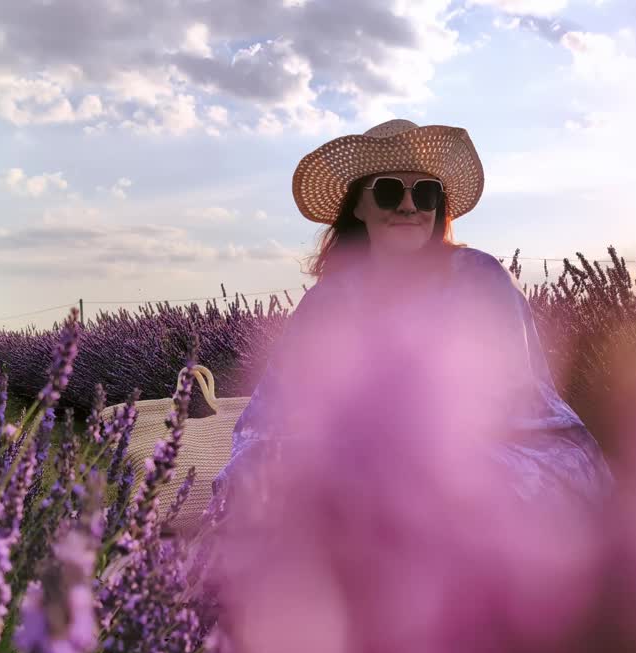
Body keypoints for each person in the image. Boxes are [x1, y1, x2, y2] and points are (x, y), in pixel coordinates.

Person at [210, 118, 614, 513]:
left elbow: (510, 401)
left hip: (488, 448)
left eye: (425, 193)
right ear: (360, 206)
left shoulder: (478, 277)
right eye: (388, 191)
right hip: (347, 455)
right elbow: (279, 410)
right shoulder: (328, 301)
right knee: (262, 480)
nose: (408, 205)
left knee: (434, 486)